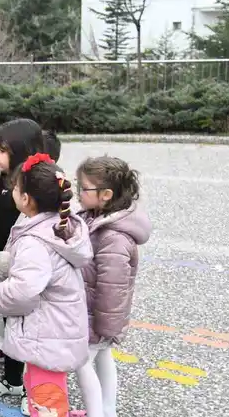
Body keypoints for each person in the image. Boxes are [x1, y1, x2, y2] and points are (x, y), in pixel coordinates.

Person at [0, 153, 92, 417]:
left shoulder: (34, 241)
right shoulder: (57, 226)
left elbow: (23, 291)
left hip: (46, 334)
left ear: (26, 199)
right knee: (45, 391)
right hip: (55, 330)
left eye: (16, 188)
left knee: (45, 400)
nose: (12, 191)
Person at [74, 156, 151, 417]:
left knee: (81, 363)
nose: (78, 192)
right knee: (103, 357)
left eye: (84, 188)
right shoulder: (94, 218)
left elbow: (112, 289)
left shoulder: (113, 237)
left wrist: (104, 328)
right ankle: (108, 410)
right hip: (94, 317)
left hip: (97, 320)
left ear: (106, 195)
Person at [0, 119, 45, 404]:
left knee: (27, 328)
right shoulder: (4, 179)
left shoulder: (36, 184)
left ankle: (34, 387)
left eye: (2, 150)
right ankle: (13, 379)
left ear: (22, 150)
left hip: (23, 270)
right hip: (3, 266)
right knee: (10, 324)